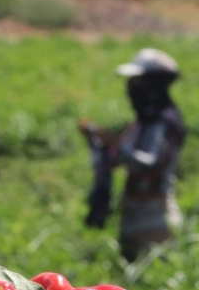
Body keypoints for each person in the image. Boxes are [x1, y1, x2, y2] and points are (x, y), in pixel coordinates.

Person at [79, 48, 186, 262]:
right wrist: (96, 140)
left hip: (155, 216)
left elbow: (149, 165)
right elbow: (116, 158)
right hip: (133, 214)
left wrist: (115, 145)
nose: (131, 88)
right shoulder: (143, 122)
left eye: (137, 81)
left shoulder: (164, 122)